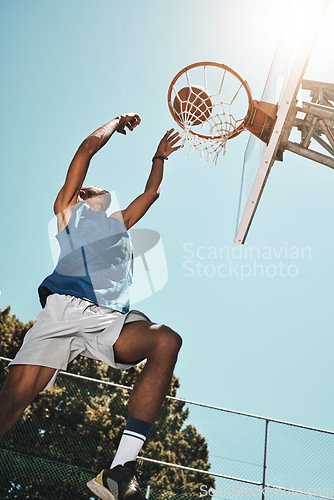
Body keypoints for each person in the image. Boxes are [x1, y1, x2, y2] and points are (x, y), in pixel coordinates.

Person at [0, 113, 183, 500]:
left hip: (108, 320)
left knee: (166, 340)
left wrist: (159, 157)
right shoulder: (68, 211)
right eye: (95, 189)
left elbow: (151, 194)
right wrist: (116, 122)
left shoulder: (119, 224)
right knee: (11, 404)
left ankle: (119, 470)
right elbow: (86, 149)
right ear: (84, 194)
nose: (104, 192)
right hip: (64, 310)